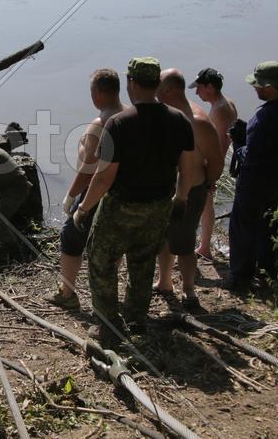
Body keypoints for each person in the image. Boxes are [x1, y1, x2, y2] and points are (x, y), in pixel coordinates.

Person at [74, 57, 194, 345]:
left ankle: (108, 326)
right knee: (143, 262)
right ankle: (136, 320)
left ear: (131, 82)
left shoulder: (119, 123)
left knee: (102, 262)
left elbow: (103, 178)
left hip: (121, 207)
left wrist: (83, 208)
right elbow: (187, 170)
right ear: (157, 84)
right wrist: (180, 199)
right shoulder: (179, 120)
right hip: (159, 205)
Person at [47, 69, 125, 309]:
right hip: (121, 191)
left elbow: (89, 169)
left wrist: (71, 196)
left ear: (98, 93)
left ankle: (67, 293)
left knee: (70, 236)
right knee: (112, 242)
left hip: (95, 191)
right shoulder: (128, 116)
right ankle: (110, 289)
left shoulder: (100, 124)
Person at [227, 61, 278, 291]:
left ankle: (241, 277)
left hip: (254, 182)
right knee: (271, 224)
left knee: (243, 227)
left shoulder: (264, 116)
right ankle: (268, 271)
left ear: (269, 86)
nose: (255, 88)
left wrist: (238, 141)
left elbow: (249, 157)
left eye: (257, 85)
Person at [154, 69, 224, 310]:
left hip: (191, 191)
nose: (153, 91)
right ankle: (164, 281)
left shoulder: (199, 122)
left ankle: (189, 289)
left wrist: (209, 182)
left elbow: (216, 161)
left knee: (184, 243)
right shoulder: (163, 115)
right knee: (164, 238)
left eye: (157, 87)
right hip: (165, 190)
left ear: (169, 90)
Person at [189, 68, 238, 259]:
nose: (196, 92)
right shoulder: (227, 103)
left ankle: (204, 248)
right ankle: (204, 245)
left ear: (210, 87)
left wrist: (212, 174)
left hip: (210, 165)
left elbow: (221, 145)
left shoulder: (220, 110)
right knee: (205, 204)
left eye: (199, 88)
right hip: (211, 163)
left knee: (205, 205)